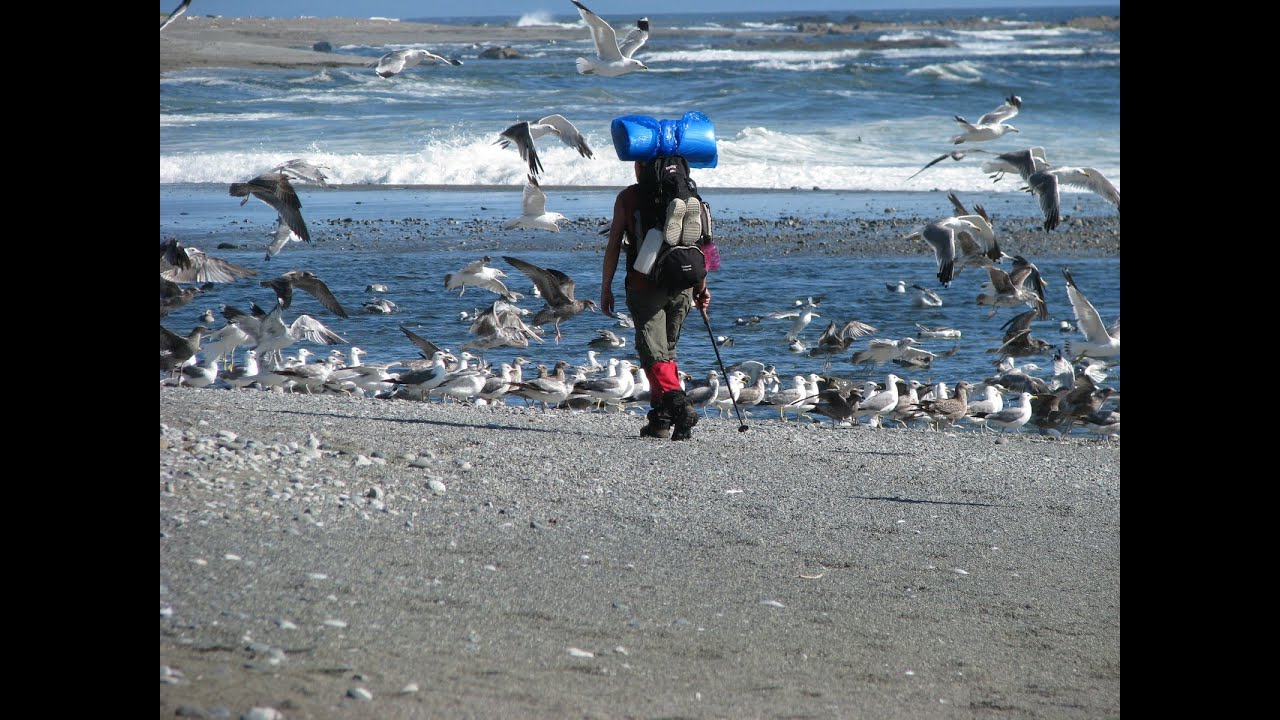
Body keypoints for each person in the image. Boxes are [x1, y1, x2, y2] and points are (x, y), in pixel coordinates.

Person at [601, 158, 712, 440]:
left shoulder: (629, 197)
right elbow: (704, 244)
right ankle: (660, 422)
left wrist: (606, 287)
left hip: (644, 283)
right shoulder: (690, 196)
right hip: (684, 281)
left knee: (654, 353)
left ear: (641, 168)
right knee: (665, 352)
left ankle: (680, 405)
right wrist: (702, 287)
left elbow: (614, 244)